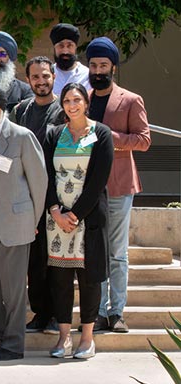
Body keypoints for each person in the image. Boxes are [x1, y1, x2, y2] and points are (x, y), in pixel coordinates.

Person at [0, 85, 47, 361]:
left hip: (17, 220)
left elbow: (39, 183)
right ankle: (1, 338)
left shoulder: (22, 137)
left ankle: (14, 344)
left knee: (14, 285)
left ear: (3, 110)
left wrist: (33, 220)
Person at [43, 83, 114, 360]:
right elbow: (46, 174)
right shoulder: (54, 134)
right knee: (59, 280)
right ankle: (64, 338)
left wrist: (74, 215)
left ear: (86, 102)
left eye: (77, 100)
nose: (72, 105)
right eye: (67, 101)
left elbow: (98, 180)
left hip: (88, 219)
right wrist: (55, 211)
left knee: (89, 280)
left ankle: (87, 338)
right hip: (56, 221)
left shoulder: (101, 134)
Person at [85, 37, 150, 333]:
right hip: (87, 188)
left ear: (113, 67)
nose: (98, 70)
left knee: (117, 253)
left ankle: (117, 311)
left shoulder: (130, 99)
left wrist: (112, 137)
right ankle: (97, 311)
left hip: (119, 185)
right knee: (95, 251)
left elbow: (144, 140)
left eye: (103, 65)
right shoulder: (80, 98)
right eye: (94, 65)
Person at [11, 56, 63, 335]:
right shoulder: (21, 111)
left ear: (53, 76)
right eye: (35, 77)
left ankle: (56, 314)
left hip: (57, 196)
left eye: (45, 76)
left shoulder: (64, 111)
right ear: (28, 79)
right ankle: (40, 314)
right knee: (34, 260)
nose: (41, 81)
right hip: (26, 197)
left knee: (54, 259)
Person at [50, 23, 90, 95]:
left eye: (69, 45)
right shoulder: (47, 75)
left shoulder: (87, 75)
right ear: (54, 48)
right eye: (61, 46)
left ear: (75, 48)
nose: (65, 51)